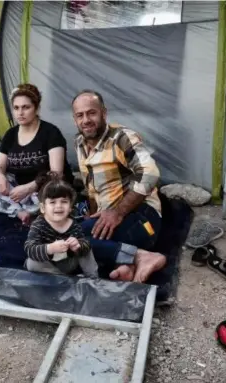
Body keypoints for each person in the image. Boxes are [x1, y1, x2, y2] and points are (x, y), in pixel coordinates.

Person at [72, 90, 166, 283]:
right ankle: (126, 265)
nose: (86, 120)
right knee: (70, 239)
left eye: (91, 113)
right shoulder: (80, 143)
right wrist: (93, 216)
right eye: (80, 115)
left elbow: (150, 173)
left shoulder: (122, 137)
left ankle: (142, 257)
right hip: (112, 220)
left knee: (69, 240)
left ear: (104, 113)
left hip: (141, 218)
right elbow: (91, 189)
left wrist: (118, 212)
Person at [0, 83, 74, 224]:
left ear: (36, 108)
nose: (20, 113)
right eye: (16, 108)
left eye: (26, 107)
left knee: (53, 194)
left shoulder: (51, 133)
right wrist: (1, 178)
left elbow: (56, 174)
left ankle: (6, 206)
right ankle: (19, 212)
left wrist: (29, 187)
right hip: (18, 189)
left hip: (42, 189)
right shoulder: (10, 134)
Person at [24, 175, 98, 277]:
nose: (58, 206)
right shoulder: (39, 225)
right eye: (53, 202)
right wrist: (50, 248)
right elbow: (29, 248)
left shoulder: (74, 225)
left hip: (67, 262)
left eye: (64, 201)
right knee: (32, 263)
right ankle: (63, 278)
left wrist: (77, 245)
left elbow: (84, 243)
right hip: (48, 267)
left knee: (86, 247)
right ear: (42, 208)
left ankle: (93, 277)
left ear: (70, 208)